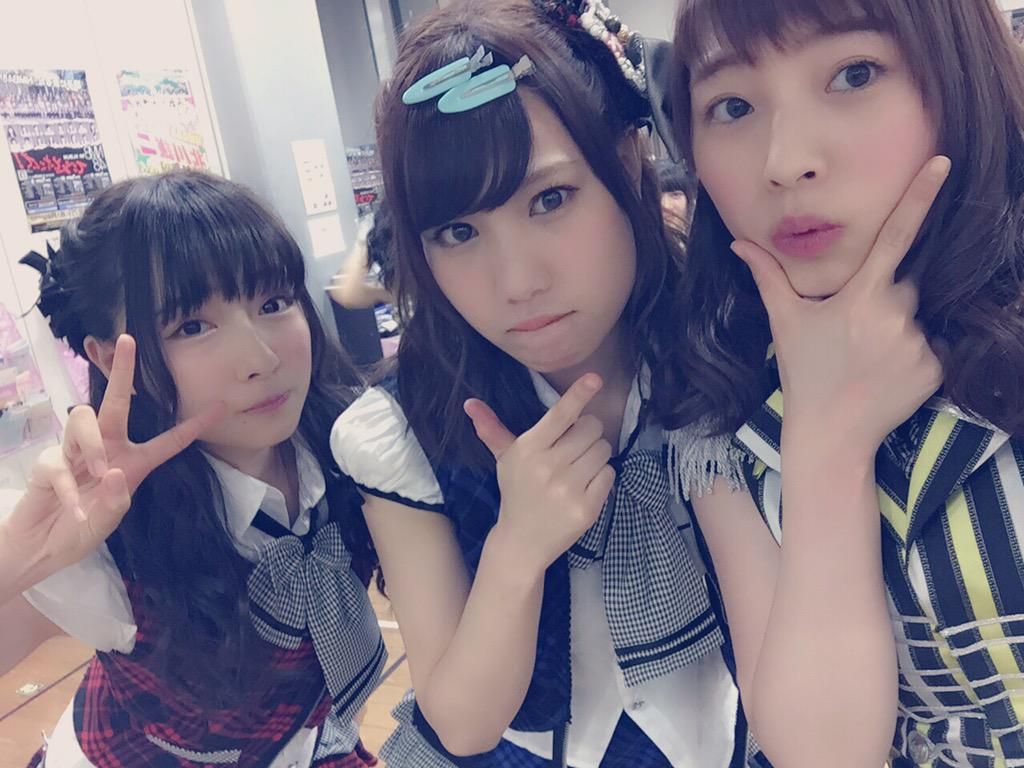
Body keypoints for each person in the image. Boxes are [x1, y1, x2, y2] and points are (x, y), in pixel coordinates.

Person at [332, 1, 755, 766]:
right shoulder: (406, 428)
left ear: (628, 158)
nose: (517, 281)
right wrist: (518, 547)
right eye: (458, 232)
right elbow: (461, 726)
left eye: (550, 200)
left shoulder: (733, 346)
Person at [664, 0, 1024, 765]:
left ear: (961, 76)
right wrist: (830, 444)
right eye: (733, 106)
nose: (784, 160)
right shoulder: (720, 416)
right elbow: (824, 754)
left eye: (854, 74)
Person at [3, 171, 386, 768]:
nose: (260, 358)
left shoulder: (350, 447)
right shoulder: (108, 531)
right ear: (106, 356)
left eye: (273, 303)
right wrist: (17, 559)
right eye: (191, 326)